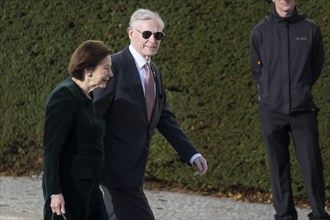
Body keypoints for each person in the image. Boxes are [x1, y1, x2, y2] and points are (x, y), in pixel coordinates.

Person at [93, 8, 208, 220]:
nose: (152, 39)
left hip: (134, 171)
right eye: (146, 34)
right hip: (112, 170)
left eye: (158, 35)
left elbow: (163, 117)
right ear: (131, 33)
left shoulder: (153, 71)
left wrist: (192, 154)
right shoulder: (113, 66)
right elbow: (93, 115)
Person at [249, 1, 329, 220]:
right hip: (271, 110)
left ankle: (319, 213)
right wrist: (270, 92)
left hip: (303, 110)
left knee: (312, 164)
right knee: (278, 166)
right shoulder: (260, 32)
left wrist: (300, 90)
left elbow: (316, 65)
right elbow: (257, 70)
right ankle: (285, 214)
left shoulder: (310, 29)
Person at [42, 40, 113, 220]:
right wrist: (54, 192)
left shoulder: (88, 96)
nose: (110, 74)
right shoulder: (64, 96)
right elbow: (51, 150)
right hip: (69, 190)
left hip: (90, 188)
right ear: (88, 68)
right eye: (106, 68)